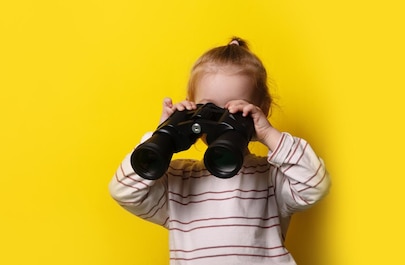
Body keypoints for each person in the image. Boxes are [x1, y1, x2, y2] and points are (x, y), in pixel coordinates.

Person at [108, 37, 331, 264]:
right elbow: (123, 191)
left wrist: (269, 134)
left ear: (261, 110)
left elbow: (315, 185)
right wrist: (162, 136)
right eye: (208, 107)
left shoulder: (272, 176)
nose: (220, 120)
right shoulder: (177, 180)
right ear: (191, 106)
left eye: (234, 109)